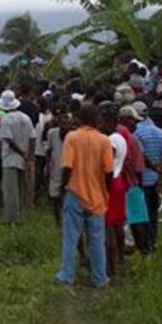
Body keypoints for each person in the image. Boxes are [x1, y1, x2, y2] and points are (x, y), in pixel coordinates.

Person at [54, 105, 113, 288]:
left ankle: (66, 276)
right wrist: (106, 190)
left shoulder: (72, 138)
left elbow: (68, 167)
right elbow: (109, 171)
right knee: (96, 239)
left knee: (71, 237)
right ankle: (99, 277)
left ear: (79, 120)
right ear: (96, 120)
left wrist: (64, 186)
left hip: (75, 193)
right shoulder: (104, 141)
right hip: (97, 196)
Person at [132, 102, 162, 252]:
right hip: (155, 180)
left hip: (141, 180)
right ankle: (152, 242)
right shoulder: (160, 132)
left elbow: (140, 156)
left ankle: (143, 247)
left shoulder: (136, 133)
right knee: (153, 214)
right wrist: (161, 174)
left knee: (139, 216)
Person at [98, 102, 127, 277]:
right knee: (117, 224)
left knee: (107, 227)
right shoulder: (121, 137)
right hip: (118, 181)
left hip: (111, 183)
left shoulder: (112, 140)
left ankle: (110, 268)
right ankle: (120, 258)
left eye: (102, 121)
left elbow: (107, 164)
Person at [0, 90, 34, 225]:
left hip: (10, 159)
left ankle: (12, 220)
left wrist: (21, 153)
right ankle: (21, 215)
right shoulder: (25, 117)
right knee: (21, 188)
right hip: (23, 159)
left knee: (10, 191)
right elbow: (32, 137)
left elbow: (9, 140)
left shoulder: (6, 120)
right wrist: (29, 156)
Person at [119, 106, 151, 255]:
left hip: (117, 185)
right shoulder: (132, 140)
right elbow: (138, 169)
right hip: (132, 184)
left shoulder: (112, 136)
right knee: (137, 220)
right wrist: (140, 189)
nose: (135, 124)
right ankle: (144, 252)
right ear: (124, 120)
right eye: (132, 121)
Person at [45, 108, 72, 227]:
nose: (65, 126)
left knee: (67, 197)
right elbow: (49, 151)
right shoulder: (52, 133)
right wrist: (47, 167)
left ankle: (67, 220)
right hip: (55, 168)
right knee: (55, 197)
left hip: (70, 170)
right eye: (63, 123)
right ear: (59, 123)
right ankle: (58, 221)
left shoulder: (73, 136)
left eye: (67, 124)